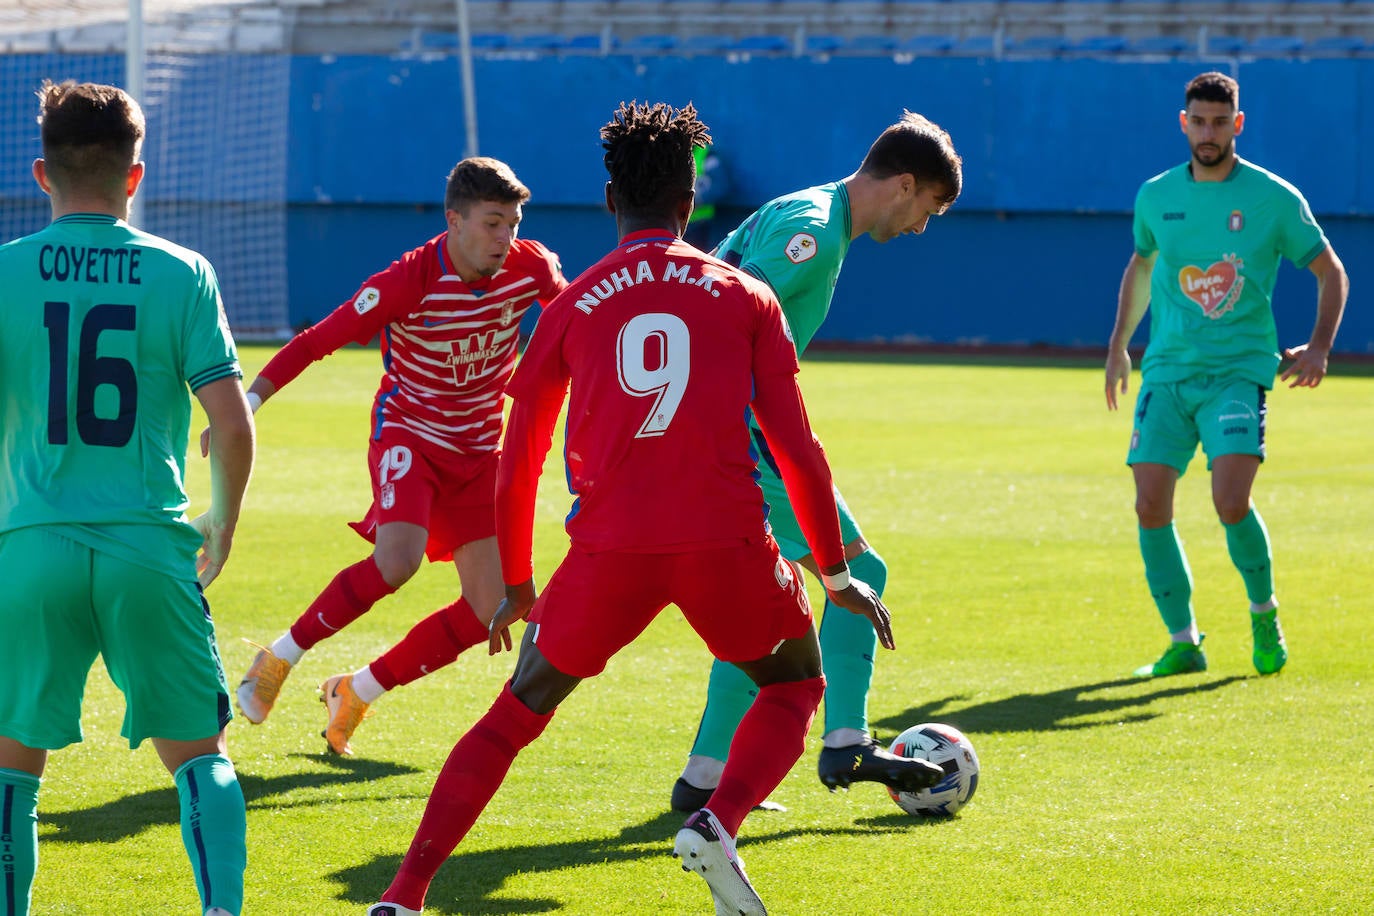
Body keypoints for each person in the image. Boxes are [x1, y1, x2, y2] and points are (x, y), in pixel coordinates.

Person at [366, 100, 914, 916]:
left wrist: (517, 583)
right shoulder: (747, 297)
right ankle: (715, 821)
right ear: (691, 203)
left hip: (608, 552)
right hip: (725, 542)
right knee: (798, 684)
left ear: (609, 199)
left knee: (514, 716)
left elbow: (518, 461)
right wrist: (833, 571)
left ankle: (405, 895)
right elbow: (798, 450)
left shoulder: (570, 304)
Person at [0, 80, 255, 916]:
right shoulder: (184, 272)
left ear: (41, 173)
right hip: (149, 547)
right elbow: (231, 421)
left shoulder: (5, 273)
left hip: (31, 549)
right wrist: (221, 524)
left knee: (10, 772)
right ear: (135, 175)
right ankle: (221, 912)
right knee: (198, 757)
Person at [672, 110, 964, 813]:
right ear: (903, 185)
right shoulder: (813, 232)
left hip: (721, 430)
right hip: (739, 435)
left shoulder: (811, 211)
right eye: (928, 207)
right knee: (859, 572)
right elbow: (719, 312)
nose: (924, 226)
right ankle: (846, 741)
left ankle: (703, 778)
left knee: (765, 601)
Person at [229, 157, 567, 754]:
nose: (504, 238)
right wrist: (249, 401)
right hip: (409, 433)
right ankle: (279, 658)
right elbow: (316, 341)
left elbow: (572, 324)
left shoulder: (531, 267)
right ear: (454, 221)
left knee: (494, 609)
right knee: (398, 561)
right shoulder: (407, 281)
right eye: (492, 223)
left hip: (479, 449)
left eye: (513, 223)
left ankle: (357, 690)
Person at [1105, 71, 1349, 678]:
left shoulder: (1272, 197)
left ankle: (1264, 614)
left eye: (1220, 121)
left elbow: (1330, 271)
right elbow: (1140, 265)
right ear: (1183, 122)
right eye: (1198, 120)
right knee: (1149, 505)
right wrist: (1118, 346)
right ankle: (1183, 642)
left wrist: (1320, 346)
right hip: (1167, 371)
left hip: (1239, 372)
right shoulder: (1156, 195)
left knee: (1230, 501)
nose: (1208, 132)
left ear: (1237, 124)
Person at [683, 140, 728, 250]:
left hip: (699, 223)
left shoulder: (706, 154)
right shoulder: (672, 152)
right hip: (675, 221)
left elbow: (720, 186)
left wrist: (696, 201)